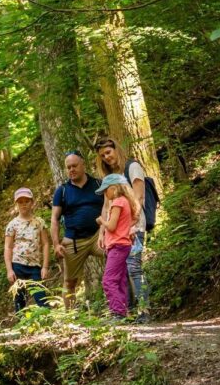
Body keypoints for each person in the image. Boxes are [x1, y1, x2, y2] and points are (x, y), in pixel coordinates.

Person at [95, 137, 151, 322]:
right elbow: (106, 206)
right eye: (103, 156)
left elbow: (139, 197)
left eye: (108, 152)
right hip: (116, 232)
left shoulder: (132, 167)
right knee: (121, 273)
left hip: (134, 228)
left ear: (116, 148)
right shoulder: (109, 179)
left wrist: (133, 227)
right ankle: (126, 311)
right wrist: (102, 233)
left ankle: (144, 311)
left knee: (134, 268)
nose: (106, 157)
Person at [50, 151, 103, 309]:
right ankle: (70, 316)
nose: (71, 170)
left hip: (98, 236)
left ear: (83, 165)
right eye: (68, 167)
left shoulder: (99, 185)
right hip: (73, 241)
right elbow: (54, 219)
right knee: (70, 281)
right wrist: (56, 244)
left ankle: (126, 305)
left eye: (74, 166)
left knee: (119, 261)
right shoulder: (63, 191)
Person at [95, 173, 138, 320]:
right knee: (119, 280)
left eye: (105, 190)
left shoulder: (118, 202)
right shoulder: (126, 201)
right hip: (122, 244)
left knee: (109, 280)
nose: (105, 194)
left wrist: (101, 221)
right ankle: (124, 311)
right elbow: (128, 222)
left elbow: (111, 226)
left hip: (118, 246)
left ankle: (118, 312)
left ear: (113, 188)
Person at [4, 187, 50, 312]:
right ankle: (21, 325)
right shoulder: (12, 224)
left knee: (41, 296)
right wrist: (9, 270)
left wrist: (45, 267)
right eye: (20, 202)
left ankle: (48, 320)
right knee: (19, 298)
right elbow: (8, 247)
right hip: (17, 265)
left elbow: (46, 244)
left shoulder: (39, 222)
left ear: (32, 202)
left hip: (35, 266)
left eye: (27, 201)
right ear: (16, 204)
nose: (24, 204)